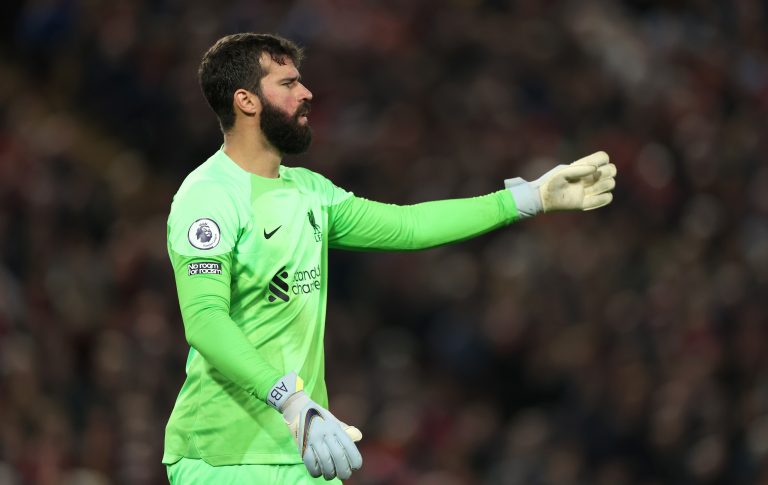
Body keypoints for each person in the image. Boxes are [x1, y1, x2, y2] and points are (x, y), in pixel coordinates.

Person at [163, 32, 617, 484]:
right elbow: (204, 319)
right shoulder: (208, 197)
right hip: (223, 455)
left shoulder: (309, 192)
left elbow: (407, 227)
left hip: (301, 445)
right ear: (246, 101)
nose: (307, 93)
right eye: (288, 83)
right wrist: (289, 398)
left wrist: (527, 198)